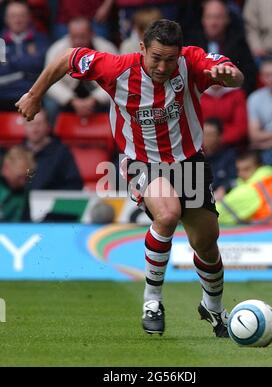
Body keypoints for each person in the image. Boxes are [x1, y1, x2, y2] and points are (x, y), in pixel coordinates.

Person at [15, 19, 244, 338]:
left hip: (188, 161)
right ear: (141, 49)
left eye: (170, 59)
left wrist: (229, 76)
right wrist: (35, 95)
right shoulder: (115, 68)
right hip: (142, 161)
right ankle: (152, 301)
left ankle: (214, 308)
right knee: (167, 214)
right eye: (156, 57)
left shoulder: (191, 61)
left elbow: (232, 73)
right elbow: (66, 57)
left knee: (205, 242)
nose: (163, 66)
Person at [216, 150, 272, 226]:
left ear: (258, 167)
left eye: (246, 169)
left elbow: (214, 214)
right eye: (238, 170)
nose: (241, 174)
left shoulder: (252, 190)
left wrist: (218, 199)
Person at [23, 109, 83, 190]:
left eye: (39, 124)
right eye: (30, 124)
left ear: (48, 126)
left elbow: (74, 185)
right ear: (24, 127)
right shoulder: (16, 153)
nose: (35, 129)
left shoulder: (61, 153)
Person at [0, 145, 36, 222]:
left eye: (26, 178)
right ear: (6, 168)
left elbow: (25, 223)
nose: (23, 182)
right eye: (20, 177)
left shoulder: (23, 192)